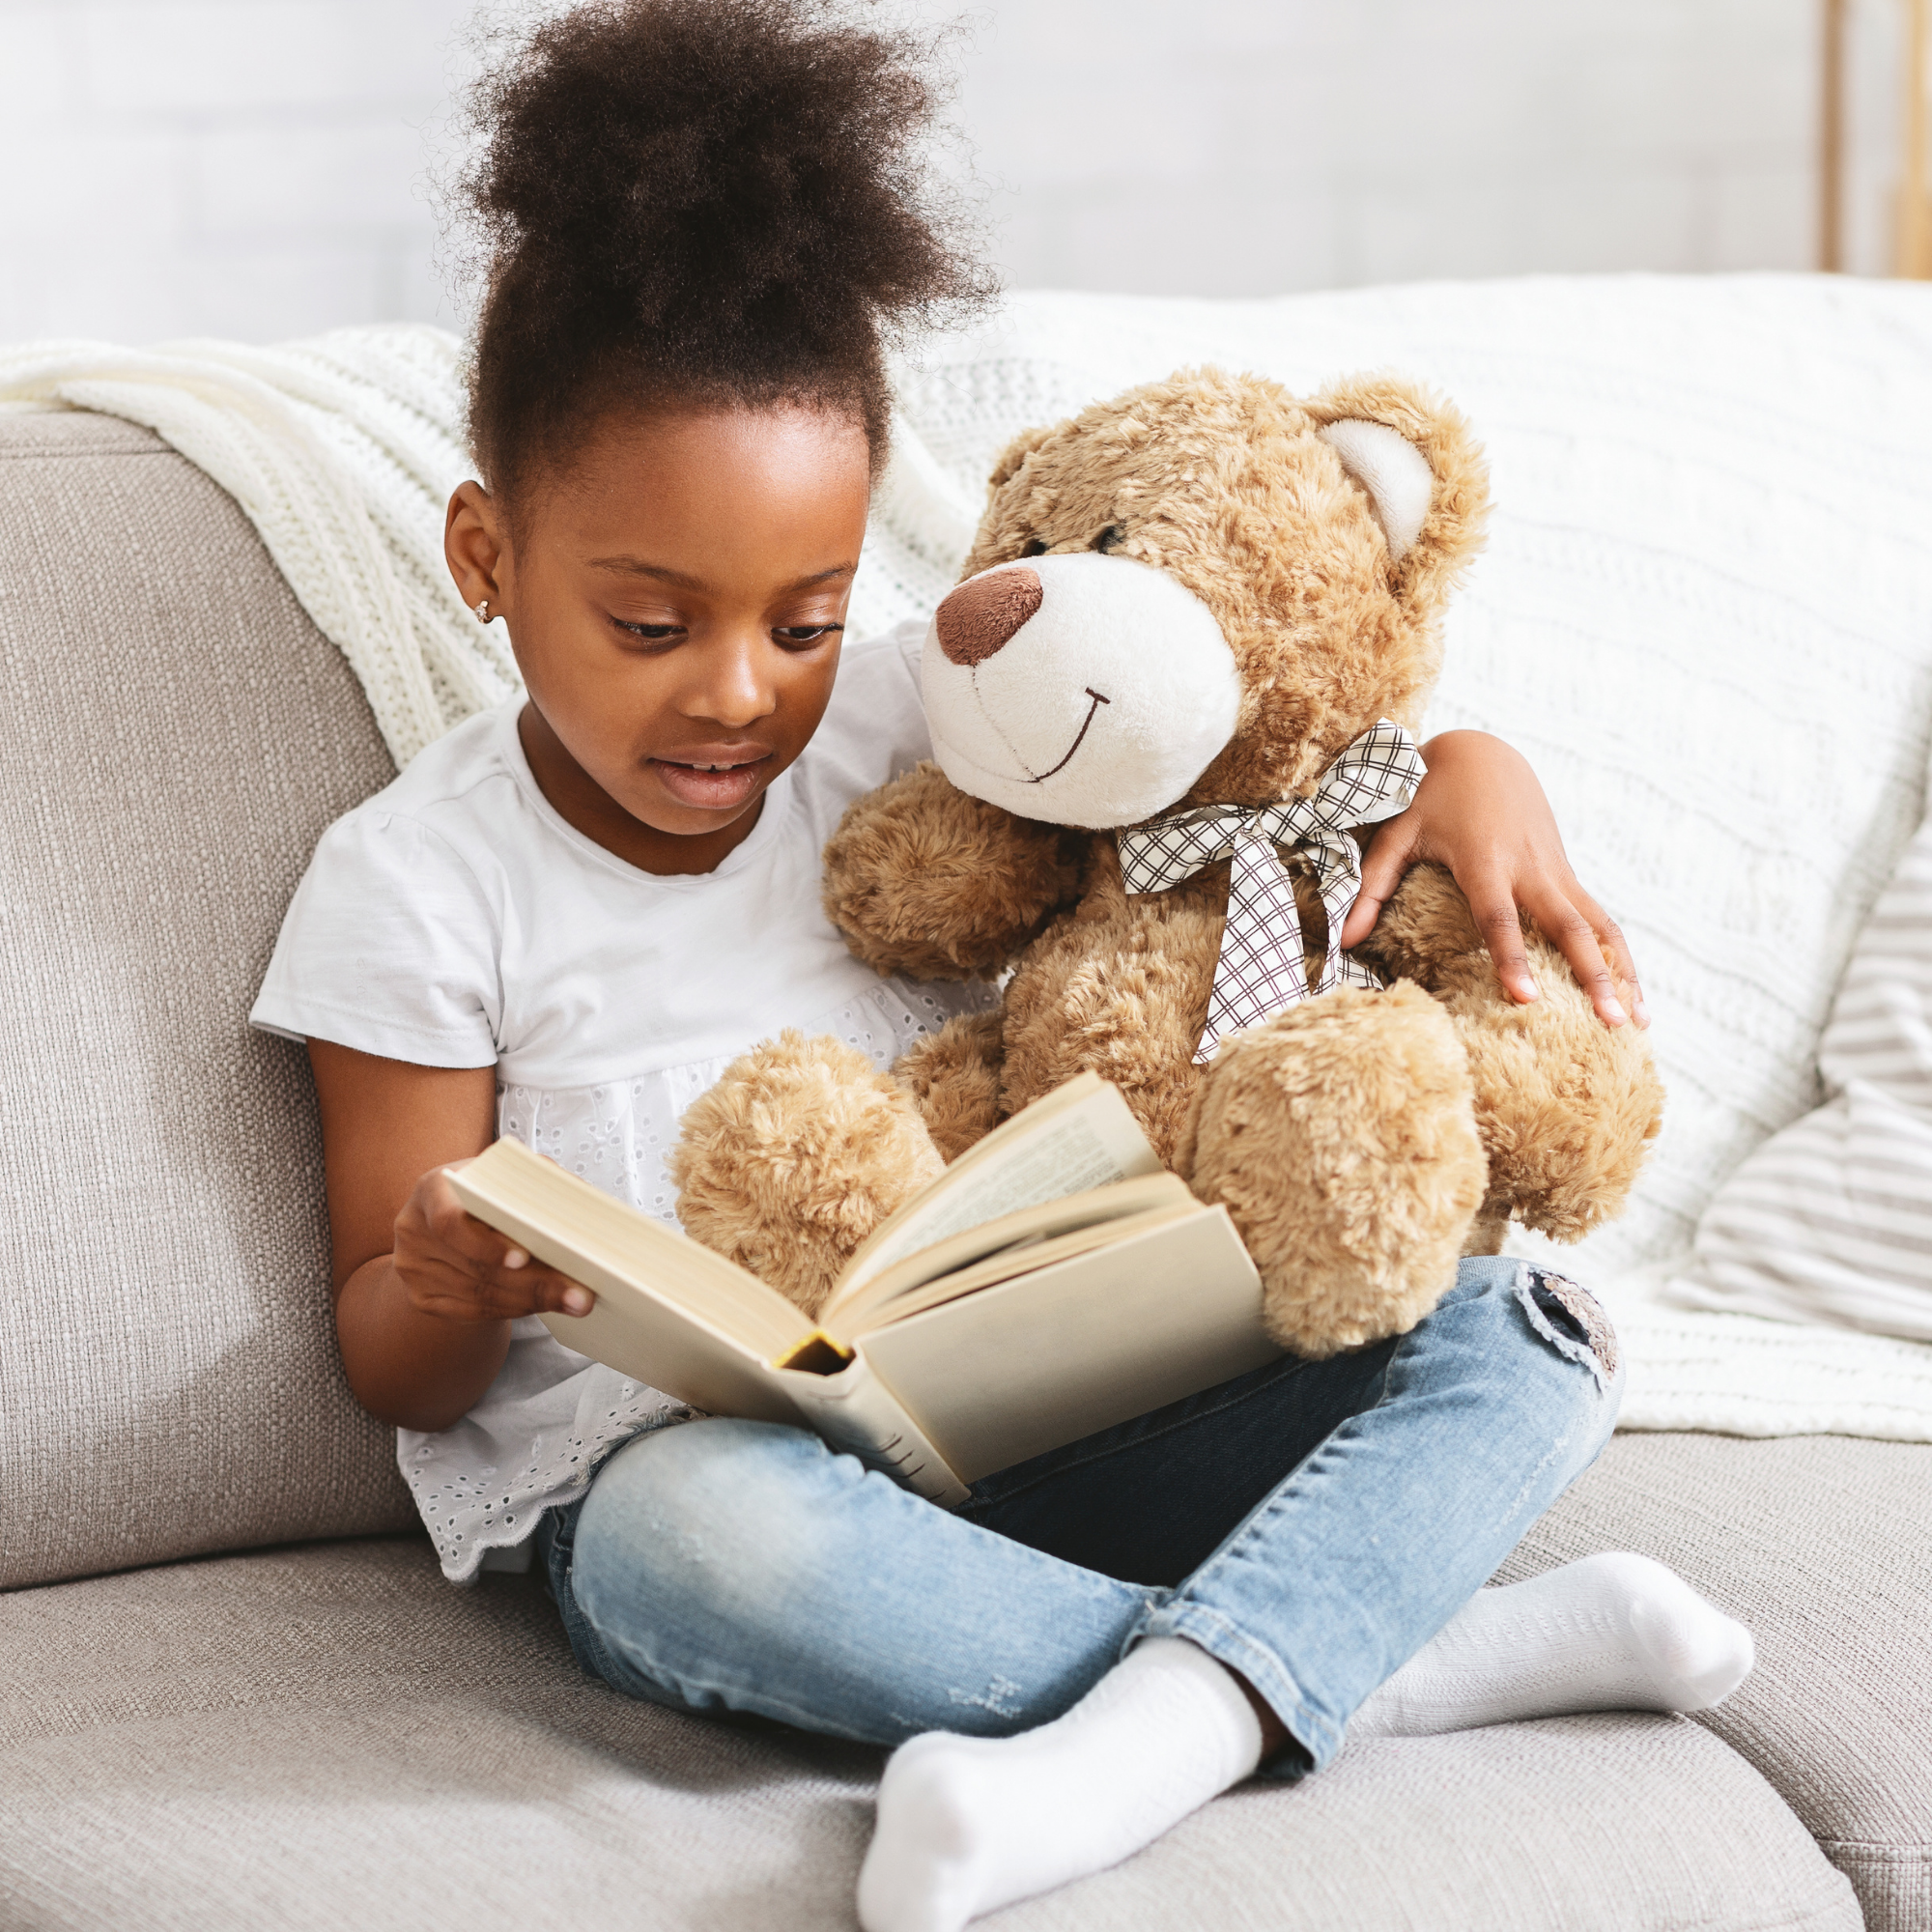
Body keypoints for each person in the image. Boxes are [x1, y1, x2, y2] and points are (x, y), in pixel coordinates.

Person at [251, 5, 1753, 1928]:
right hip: (723, 1488)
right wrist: (445, 1279)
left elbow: (1244, 722)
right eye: (649, 624)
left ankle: (1159, 1717)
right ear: (487, 555)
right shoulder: (416, 884)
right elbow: (394, 1361)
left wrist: (1469, 766)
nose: (737, 693)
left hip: (1065, 1424)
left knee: (1517, 1325)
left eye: (802, 621)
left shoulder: (928, 716)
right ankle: (1364, 1670)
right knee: (684, 1541)